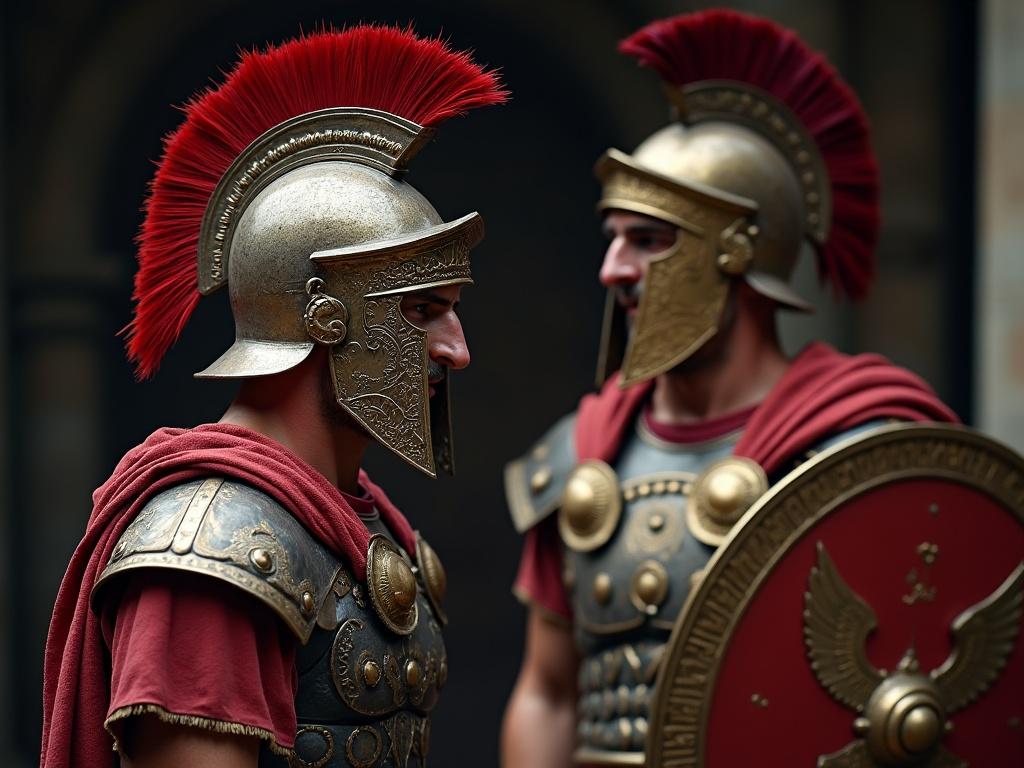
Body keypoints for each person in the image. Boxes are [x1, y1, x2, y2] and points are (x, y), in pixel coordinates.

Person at [500, 10, 957, 767]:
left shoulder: (853, 454)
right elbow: (548, 692)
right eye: (613, 239)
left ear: (737, 254)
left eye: (648, 241)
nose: (613, 270)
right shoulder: (583, 456)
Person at [40, 26, 506, 768]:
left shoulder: (362, 520)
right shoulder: (209, 551)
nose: (457, 348)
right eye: (423, 312)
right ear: (325, 317)